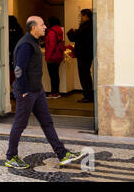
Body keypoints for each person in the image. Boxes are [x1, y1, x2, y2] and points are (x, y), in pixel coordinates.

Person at [5, 16, 86, 169]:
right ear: (33, 28)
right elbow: (19, 69)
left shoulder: (34, 41)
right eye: (42, 25)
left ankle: (62, 154)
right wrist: (23, 91)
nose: (45, 27)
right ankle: (11, 157)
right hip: (27, 92)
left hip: (37, 90)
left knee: (47, 122)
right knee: (19, 124)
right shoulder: (26, 45)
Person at [67, 9, 94, 103]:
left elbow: (73, 37)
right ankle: (89, 95)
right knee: (86, 75)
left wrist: (72, 31)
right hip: (88, 54)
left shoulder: (85, 26)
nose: (80, 18)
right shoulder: (91, 25)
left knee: (84, 76)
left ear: (86, 16)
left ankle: (88, 96)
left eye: (81, 16)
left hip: (83, 54)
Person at [45, 16, 65, 99]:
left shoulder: (52, 32)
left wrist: (48, 57)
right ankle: (56, 92)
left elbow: (51, 46)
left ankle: (54, 93)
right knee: (56, 75)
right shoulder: (59, 31)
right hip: (58, 56)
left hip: (52, 57)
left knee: (52, 75)